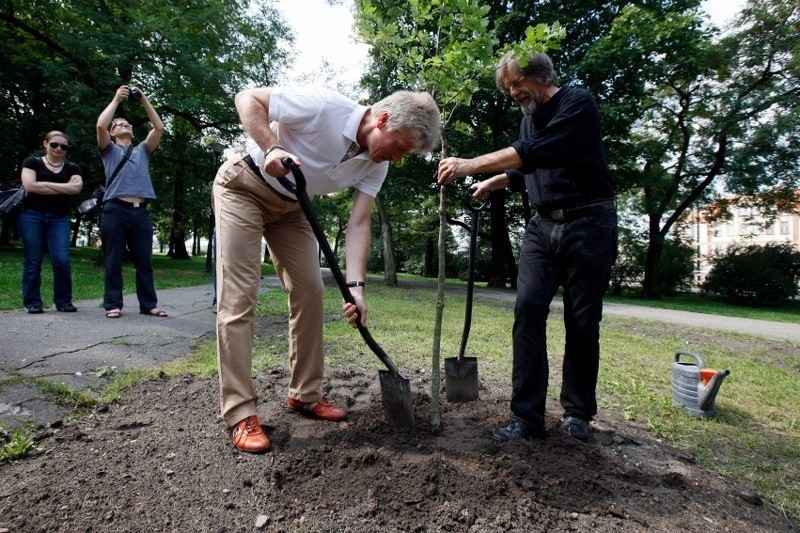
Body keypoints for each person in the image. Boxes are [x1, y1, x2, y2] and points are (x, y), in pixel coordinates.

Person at [214, 86, 441, 453]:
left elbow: (358, 224)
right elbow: (246, 98)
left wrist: (357, 288)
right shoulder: (325, 107)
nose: (398, 159)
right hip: (245, 185)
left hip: (293, 206)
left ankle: (304, 394)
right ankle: (240, 412)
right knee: (239, 297)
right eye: (400, 147)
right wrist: (272, 145)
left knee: (311, 292)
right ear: (382, 120)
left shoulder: (376, 164)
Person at [437, 51, 618, 442]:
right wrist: (494, 182)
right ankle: (526, 417)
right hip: (542, 227)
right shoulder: (527, 121)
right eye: (507, 88)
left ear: (539, 75)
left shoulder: (578, 104)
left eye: (516, 84)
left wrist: (471, 165)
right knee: (528, 311)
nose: (513, 93)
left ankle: (577, 414)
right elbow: (527, 170)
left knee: (582, 321)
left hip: (589, 223)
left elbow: (540, 152)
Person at [96, 85, 166, 319]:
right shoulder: (109, 150)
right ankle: (113, 304)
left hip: (140, 213)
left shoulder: (143, 150)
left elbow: (159, 127)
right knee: (113, 259)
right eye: (119, 125)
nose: (124, 125)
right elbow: (99, 125)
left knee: (144, 262)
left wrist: (144, 99)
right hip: (114, 210)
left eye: (128, 124)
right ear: (113, 133)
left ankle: (148, 304)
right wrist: (116, 100)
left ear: (133, 133)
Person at [19, 131, 84, 314]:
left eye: (63, 146)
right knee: (33, 260)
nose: (58, 149)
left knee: (62, 260)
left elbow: (76, 188)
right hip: (32, 216)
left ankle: (63, 301)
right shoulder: (32, 162)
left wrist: (44, 184)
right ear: (45, 143)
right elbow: (29, 186)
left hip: (59, 218)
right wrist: (64, 187)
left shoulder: (72, 167)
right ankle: (33, 302)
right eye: (54, 144)